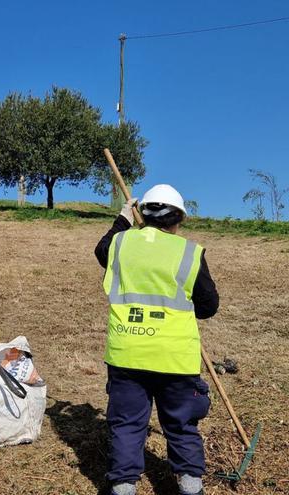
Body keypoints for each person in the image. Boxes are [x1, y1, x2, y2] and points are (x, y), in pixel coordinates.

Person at [94, 184, 219, 495]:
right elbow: (208, 306)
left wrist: (122, 219)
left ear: (142, 213)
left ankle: (123, 487)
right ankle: (190, 486)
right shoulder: (188, 252)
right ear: (177, 220)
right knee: (181, 423)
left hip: (127, 353)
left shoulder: (120, 244)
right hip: (175, 357)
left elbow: (101, 251)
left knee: (127, 424)